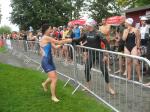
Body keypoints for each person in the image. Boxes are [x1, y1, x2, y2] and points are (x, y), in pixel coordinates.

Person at [72, 18, 115, 95]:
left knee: (104, 70)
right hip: (91, 53)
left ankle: (109, 88)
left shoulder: (98, 33)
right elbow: (78, 40)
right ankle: (88, 87)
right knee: (86, 69)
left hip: (99, 53)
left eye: (86, 25)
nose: (85, 26)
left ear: (90, 25)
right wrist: (71, 40)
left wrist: (106, 55)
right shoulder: (86, 33)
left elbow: (107, 44)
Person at [40, 24, 71, 102]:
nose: (51, 31)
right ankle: (53, 97)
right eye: (50, 29)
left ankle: (44, 84)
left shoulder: (48, 39)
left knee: (52, 77)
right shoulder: (46, 37)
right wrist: (67, 40)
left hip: (49, 61)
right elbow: (58, 41)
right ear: (46, 30)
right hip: (46, 61)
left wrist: (63, 44)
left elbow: (55, 46)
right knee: (54, 79)